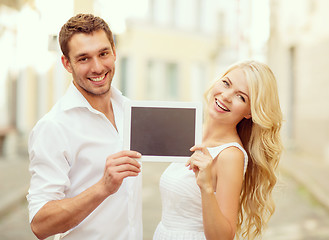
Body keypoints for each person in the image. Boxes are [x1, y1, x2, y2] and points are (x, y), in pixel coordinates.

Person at [27, 14, 143, 240]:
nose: (98, 67)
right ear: (66, 63)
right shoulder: (53, 127)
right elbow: (40, 225)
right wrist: (103, 187)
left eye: (103, 53)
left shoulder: (130, 111)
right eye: (83, 59)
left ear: (114, 52)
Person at [153, 60, 283, 240]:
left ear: (249, 112)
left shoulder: (230, 155)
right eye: (226, 83)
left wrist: (206, 187)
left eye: (241, 97)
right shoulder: (193, 132)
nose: (226, 96)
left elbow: (223, 237)